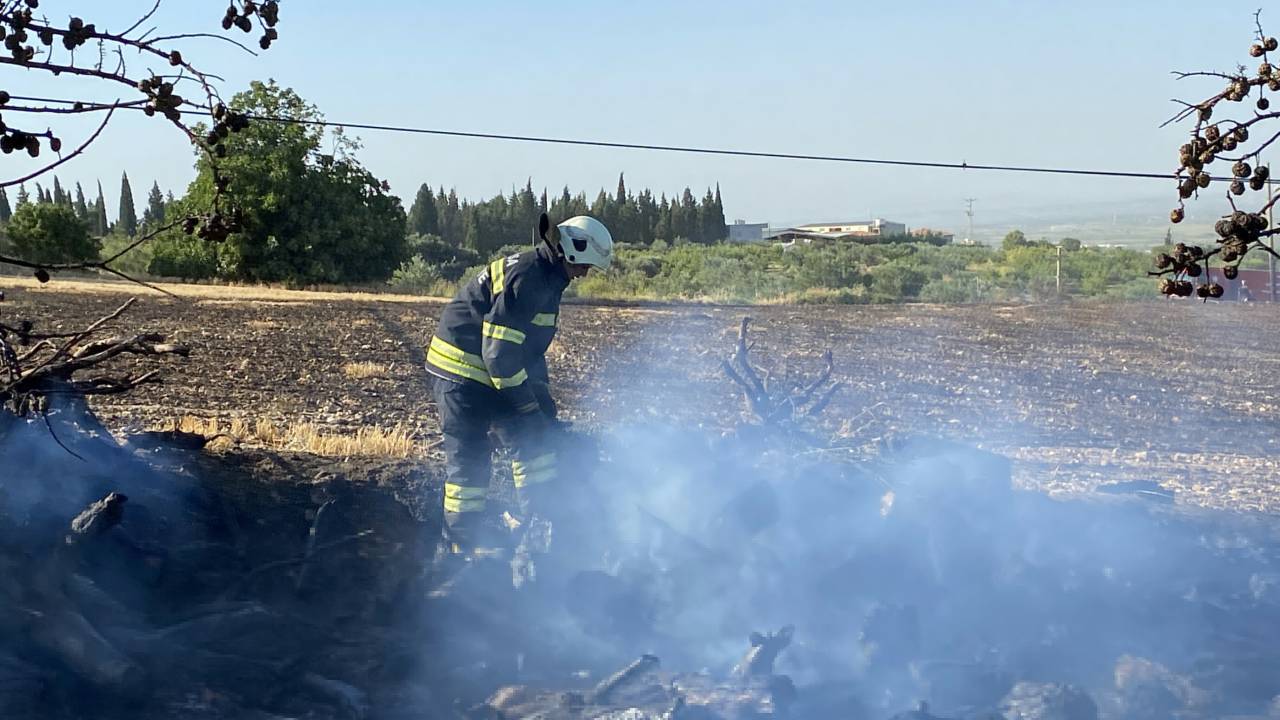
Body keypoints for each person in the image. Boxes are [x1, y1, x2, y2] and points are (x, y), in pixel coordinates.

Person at [426, 213, 613, 556]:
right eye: (585, 265)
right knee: (470, 463)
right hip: (461, 373)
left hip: (494, 373)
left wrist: (543, 409)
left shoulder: (548, 278)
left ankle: (539, 524)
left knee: (534, 441)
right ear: (570, 250)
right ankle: (461, 551)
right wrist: (527, 407)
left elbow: (527, 351)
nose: (586, 273)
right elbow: (498, 355)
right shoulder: (529, 276)